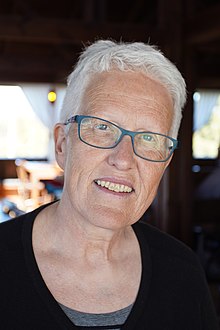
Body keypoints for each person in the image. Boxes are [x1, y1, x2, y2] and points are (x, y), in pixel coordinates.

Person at [0, 40, 219, 330]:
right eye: (102, 127)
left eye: (150, 138)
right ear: (63, 144)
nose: (124, 159)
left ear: (164, 164)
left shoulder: (182, 272)